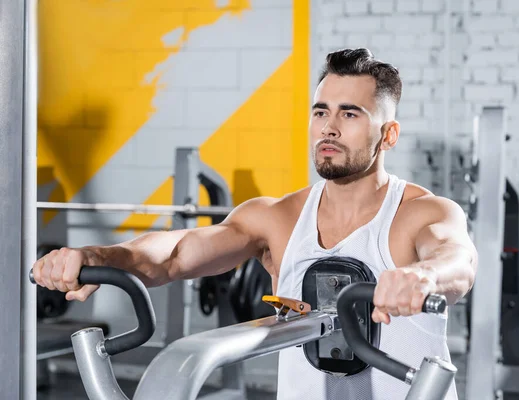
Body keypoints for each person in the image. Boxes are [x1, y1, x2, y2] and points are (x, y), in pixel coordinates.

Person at [32, 48, 477, 400]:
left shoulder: (422, 212)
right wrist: (98, 256)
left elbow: (457, 260)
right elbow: (174, 254)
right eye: (320, 112)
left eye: (350, 114)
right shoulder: (278, 217)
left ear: (389, 135)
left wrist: (422, 277)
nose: (329, 128)